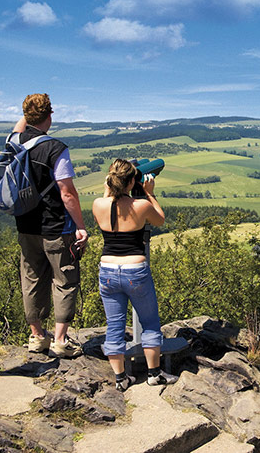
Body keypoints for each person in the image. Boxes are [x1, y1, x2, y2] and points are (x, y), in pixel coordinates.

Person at [13, 93, 88, 358]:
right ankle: (59, 340)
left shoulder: (13, 143)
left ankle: (36, 337)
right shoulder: (56, 148)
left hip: (25, 225)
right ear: (50, 115)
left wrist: (29, 112)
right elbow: (67, 192)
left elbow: (18, 127)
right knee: (65, 280)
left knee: (31, 279)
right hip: (56, 227)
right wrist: (80, 225)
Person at [92, 159, 178, 391]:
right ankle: (153, 374)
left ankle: (121, 379)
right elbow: (159, 219)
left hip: (108, 270)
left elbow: (110, 199)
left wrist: (111, 188)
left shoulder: (97, 204)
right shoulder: (141, 205)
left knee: (114, 325)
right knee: (150, 323)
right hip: (135, 270)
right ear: (132, 182)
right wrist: (150, 193)